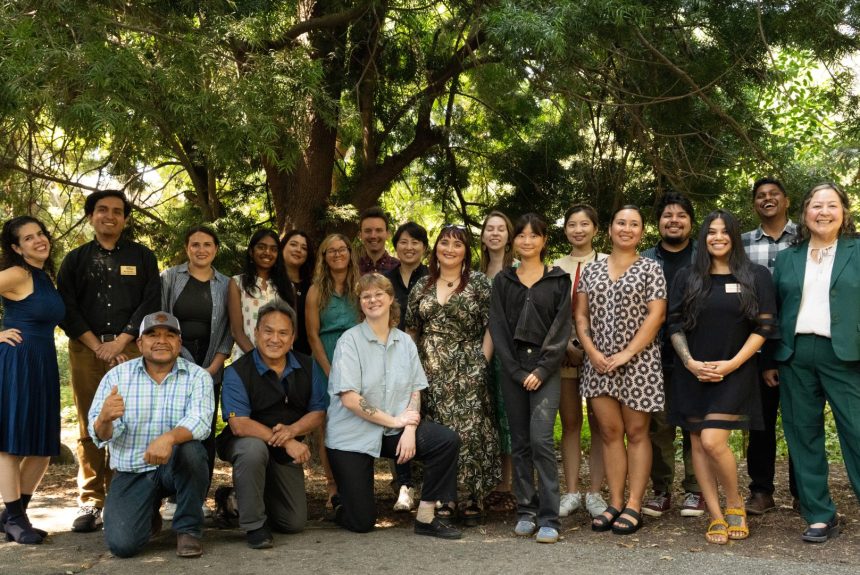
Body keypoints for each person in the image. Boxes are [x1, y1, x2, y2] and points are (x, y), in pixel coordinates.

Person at [668, 210, 777, 545]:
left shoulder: (755, 275)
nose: (717, 237)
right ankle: (715, 515)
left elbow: (765, 328)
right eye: (711, 232)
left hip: (736, 371)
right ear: (703, 238)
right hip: (693, 373)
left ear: (733, 237)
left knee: (714, 440)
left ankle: (735, 502)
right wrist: (689, 362)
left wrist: (731, 364)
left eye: (724, 232)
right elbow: (673, 324)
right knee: (698, 443)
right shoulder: (688, 276)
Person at [326, 273, 461, 539]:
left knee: (445, 441)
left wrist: (409, 427)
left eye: (379, 294)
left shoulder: (405, 342)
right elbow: (350, 399)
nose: (372, 299)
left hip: (394, 430)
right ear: (360, 304)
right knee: (361, 522)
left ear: (390, 299)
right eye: (366, 296)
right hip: (351, 436)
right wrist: (396, 422)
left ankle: (425, 518)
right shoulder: (349, 342)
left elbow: (415, 388)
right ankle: (342, 504)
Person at [57, 190, 160, 533]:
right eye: (102, 210)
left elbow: (150, 301)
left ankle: (122, 494)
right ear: (91, 217)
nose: (110, 216)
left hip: (130, 348)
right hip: (86, 349)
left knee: (129, 420)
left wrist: (121, 341)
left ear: (125, 219)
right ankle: (91, 499)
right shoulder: (75, 260)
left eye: (117, 211)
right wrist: (96, 344)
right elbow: (66, 307)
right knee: (91, 422)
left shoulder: (143, 257)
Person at [772, 183, 860, 543]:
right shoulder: (788, 257)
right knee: (803, 436)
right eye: (816, 206)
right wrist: (770, 359)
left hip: (846, 356)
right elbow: (774, 311)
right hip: (794, 355)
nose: (823, 212)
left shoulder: (857, 250)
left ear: (844, 212)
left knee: (856, 432)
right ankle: (820, 514)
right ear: (804, 213)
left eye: (831, 205)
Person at [88, 312, 214, 558]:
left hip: (174, 466)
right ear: (139, 343)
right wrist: (104, 419)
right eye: (153, 335)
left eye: (170, 335)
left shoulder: (198, 376)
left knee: (192, 451)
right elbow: (101, 436)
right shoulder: (116, 377)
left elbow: (201, 422)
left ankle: (188, 529)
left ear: (179, 343)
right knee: (123, 546)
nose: (161, 341)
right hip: (132, 470)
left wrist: (168, 439)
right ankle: (148, 512)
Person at [575, 205, 666, 535]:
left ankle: (634, 504)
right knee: (610, 434)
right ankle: (614, 502)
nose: (627, 229)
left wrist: (627, 352)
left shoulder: (650, 269)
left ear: (642, 231)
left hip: (638, 363)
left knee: (637, 433)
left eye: (634, 224)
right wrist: (592, 351)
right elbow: (581, 315)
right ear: (610, 229)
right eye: (621, 223)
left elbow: (656, 316)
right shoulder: (592, 271)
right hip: (599, 364)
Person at [406, 224, 499, 526]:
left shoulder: (480, 283)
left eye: (457, 244)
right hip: (429, 370)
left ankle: (472, 496)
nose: (449, 249)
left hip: (468, 367)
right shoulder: (421, 285)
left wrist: (481, 363)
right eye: (444, 243)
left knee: (471, 433)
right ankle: (444, 497)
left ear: (466, 251)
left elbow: (492, 326)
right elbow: (411, 329)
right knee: (440, 434)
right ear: (436, 249)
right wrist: (411, 368)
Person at [489, 213, 571, 544]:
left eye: (533, 235)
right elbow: (498, 326)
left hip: (545, 369)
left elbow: (561, 329)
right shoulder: (504, 281)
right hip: (513, 368)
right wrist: (516, 371)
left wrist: (539, 370)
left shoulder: (558, 280)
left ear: (543, 240)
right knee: (519, 441)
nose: (526, 240)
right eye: (521, 235)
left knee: (541, 439)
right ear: (515, 241)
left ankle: (550, 517)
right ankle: (526, 510)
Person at [217, 302, 326, 549]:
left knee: (293, 522)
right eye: (268, 331)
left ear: (292, 337)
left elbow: (318, 412)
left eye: (282, 333)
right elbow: (239, 424)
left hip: (282, 445)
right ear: (256, 333)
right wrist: (287, 441)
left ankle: (233, 499)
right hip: (245, 442)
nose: (274, 339)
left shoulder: (308, 366)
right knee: (253, 449)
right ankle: (254, 526)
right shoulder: (237, 371)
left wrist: (293, 431)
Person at [0, 216, 65, 545]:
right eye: (28, 238)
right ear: (16, 247)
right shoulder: (17, 273)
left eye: (40, 233)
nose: (39, 240)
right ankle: (15, 518)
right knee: (10, 445)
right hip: (17, 362)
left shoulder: (43, 276)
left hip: (43, 364)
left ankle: (13, 514)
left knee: (42, 446)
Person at [161, 225, 233, 516]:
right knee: (174, 428)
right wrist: (177, 361)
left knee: (203, 431)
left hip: (211, 366)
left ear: (215, 249)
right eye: (195, 244)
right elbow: (161, 320)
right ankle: (171, 496)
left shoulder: (226, 284)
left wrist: (214, 366)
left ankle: (198, 497)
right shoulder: (169, 278)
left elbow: (229, 328)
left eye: (207, 244)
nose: (201, 249)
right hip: (174, 365)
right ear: (187, 248)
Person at [640, 193, 704, 518]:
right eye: (668, 215)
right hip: (653, 358)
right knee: (659, 427)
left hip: (696, 354)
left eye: (681, 215)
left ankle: (696, 490)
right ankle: (661, 490)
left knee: (695, 424)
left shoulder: (703, 258)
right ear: (659, 222)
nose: (674, 220)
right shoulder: (646, 258)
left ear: (691, 222)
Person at [741, 177, 799, 515]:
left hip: (797, 346)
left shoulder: (805, 238)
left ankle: (801, 491)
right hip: (756, 348)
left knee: (799, 421)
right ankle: (761, 491)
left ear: (786, 200)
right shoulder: (743, 243)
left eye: (774, 194)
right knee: (760, 423)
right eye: (760, 196)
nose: (767, 199)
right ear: (754, 204)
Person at [552, 205, 608, 519]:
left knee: (603, 426)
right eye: (572, 224)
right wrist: (566, 344)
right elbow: (551, 313)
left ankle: (596, 493)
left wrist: (590, 348)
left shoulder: (608, 263)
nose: (578, 230)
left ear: (596, 229)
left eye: (584, 224)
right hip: (564, 354)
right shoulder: (555, 267)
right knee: (571, 423)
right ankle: (571, 491)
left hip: (601, 355)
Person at [305, 233, 360, 505]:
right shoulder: (316, 291)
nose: (337, 254)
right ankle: (332, 486)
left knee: (358, 419)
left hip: (357, 359)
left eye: (342, 249)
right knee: (327, 424)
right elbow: (312, 336)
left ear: (350, 253)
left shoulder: (360, 287)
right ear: (323, 257)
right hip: (325, 358)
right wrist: (329, 371)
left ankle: (357, 484)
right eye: (331, 250)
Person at [383, 221, 429, 512]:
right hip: (393, 359)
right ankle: (404, 484)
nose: (409, 247)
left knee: (425, 421)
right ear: (395, 245)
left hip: (431, 358)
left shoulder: (433, 278)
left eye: (415, 242)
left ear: (425, 248)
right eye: (403, 241)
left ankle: (428, 486)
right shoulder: (385, 281)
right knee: (399, 419)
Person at [479, 211, 516, 513]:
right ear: (482, 236)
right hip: (479, 354)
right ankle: (489, 482)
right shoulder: (473, 271)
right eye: (489, 229)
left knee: (509, 416)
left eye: (500, 229)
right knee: (488, 416)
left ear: (509, 235)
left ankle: (508, 483)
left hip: (510, 354)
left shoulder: (516, 269)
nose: (494, 233)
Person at [228, 229, 295, 361]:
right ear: (251, 251)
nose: (267, 252)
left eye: (273, 249)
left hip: (281, 361)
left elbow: (293, 329)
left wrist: (275, 359)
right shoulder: (237, 283)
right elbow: (236, 331)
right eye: (261, 247)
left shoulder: (288, 287)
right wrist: (259, 360)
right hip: (247, 359)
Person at [280, 230, 315, 355]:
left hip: (308, 356)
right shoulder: (271, 283)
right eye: (293, 244)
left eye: (304, 248)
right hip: (277, 351)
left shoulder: (313, 286)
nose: (298, 250)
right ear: (282, 247)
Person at [357, 207, 399, 274]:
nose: (373, 236)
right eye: (368, 231)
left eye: (379, 230)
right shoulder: (353, 268)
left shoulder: (399, 268)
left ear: (388, 234)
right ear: (360, 235)